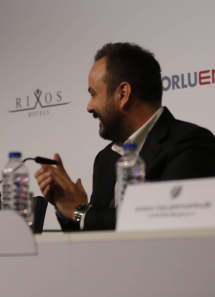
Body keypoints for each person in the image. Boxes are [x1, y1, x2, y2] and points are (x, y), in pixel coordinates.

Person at [35, 42, 215, 231]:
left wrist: (80, 210)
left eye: (93, 94)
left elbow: (165, 223)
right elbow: (94, 237)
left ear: (123, 93)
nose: (89, 107)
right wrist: (66, 207)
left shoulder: (191, 144)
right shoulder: (105, 158)